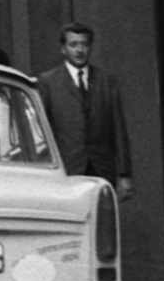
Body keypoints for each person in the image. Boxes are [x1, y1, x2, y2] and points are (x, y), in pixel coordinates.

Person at [40, 25, 132, 202]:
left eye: (84, 44)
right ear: (63, 49)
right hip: (67, 168)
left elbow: (119, 129)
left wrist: (124, 173)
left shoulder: (107, 81)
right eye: (73, 45)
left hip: (102, 168)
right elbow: (43, 130)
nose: (79, 50)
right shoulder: (48, 82)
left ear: (90, 47)